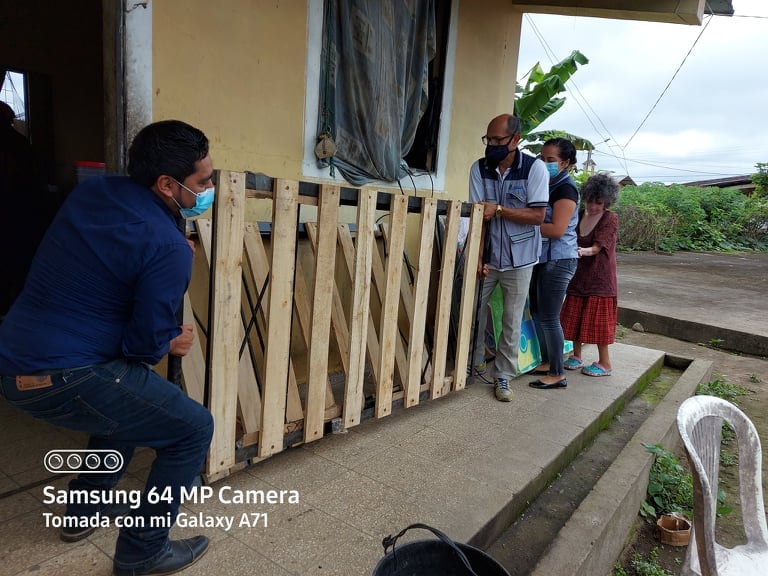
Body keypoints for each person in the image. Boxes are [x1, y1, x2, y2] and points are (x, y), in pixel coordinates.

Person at [0, 120, 215, 576]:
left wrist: (165, 247)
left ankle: (84, 512)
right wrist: (170, 339)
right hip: (67, 374)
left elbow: (110, 257)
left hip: (13, 358)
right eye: (202, 183)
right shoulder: (168, 248)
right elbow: (142, 348)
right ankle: (143, 551)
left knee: (127, 406)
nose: (208, 190)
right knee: (193, 428)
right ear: (167, 184)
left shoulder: (93, 194)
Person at [468, 114, 548, 401]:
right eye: (488, 139)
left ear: (515, 140)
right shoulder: (479, 169)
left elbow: (538, 216)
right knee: (472, 312)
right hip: (489, 256)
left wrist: (500, 210)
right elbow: (478, 217)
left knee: (512, 320)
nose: (491, 145)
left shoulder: (535, 169)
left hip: (520, 258)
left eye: (497, 140)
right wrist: (477, 258)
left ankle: (503, 376)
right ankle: (474, 363)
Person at [528, 138, 579, 390]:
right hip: (542, 257)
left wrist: (523, 222)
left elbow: (557, 230)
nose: (544, 163)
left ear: (565, 163)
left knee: (549, 317)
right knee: (538, 312)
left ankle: (558, 373)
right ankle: (548, 361)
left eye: (551, 160)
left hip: (559, 259)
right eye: (542, 158)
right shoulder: (547, 185)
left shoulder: (565, 189)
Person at [560, 172, 620, 377]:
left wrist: (582, 251)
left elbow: (597, 247)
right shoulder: (579, 214)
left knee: (598, 323)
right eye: (590, 201)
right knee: (574, 317)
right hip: (578, 275)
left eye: (598, 202)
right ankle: (576, 355)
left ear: (607, 202)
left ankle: (605, 363)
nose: (593, 206)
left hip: (600, 279)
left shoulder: (610, 218)